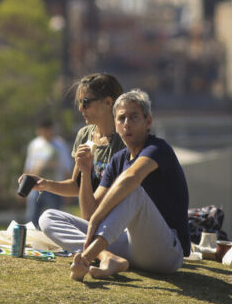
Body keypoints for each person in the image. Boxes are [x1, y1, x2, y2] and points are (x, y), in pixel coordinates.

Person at [68, 89, 190, 280]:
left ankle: (86, 258)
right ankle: (108, 257)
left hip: (166, 252)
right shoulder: (118, 160)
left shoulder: (158, 149)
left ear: (147, 122)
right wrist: (85, 172)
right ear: (115, 125)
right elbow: (90, 214)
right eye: (121, 118)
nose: (127, 124)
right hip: (128, 245)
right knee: (49, 217)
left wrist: (96, 218)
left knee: (134, 192)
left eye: (133, 117)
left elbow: (131, 177)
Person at [20, 73, 125, 243]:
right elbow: (75, 185)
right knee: (46, 218)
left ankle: (96, 252)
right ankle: (95, 251)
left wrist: (85, 171)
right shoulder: (85, 135)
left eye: (85, 103)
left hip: (115, 225)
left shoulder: (124, 142)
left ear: (108, 102)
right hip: (93, 223)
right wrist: (44, 184)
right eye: (79, 103)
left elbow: (92, 210)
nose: (80, 109)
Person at [22, 117, 73, 228]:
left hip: (53, 188)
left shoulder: (60, 145)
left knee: (54, 218)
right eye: (42, 130)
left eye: (47, 129)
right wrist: (23, 187)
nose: (45, 133)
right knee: (31, 218)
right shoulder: (34, 144)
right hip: (35, 188)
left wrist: (68, 191)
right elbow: (29, 167)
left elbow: (67, 168)